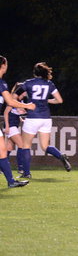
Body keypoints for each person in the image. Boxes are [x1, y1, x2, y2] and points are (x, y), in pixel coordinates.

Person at [18, 62, 71, 179]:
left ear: (34, 72)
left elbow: (15, 96)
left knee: (26, 146)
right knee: (45, 146)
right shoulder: (49, 84)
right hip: (46, 118)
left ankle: (26, 173)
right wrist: (47, 100)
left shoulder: (28, 83)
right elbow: (59, 100)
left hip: (32, 117)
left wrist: (22, 106)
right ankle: (60, 155)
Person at [0, 56, 35, 188]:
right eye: (6, 64)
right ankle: (18, 173)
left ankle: (11, 182)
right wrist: (27, 106)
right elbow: (10, 102)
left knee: (3, 152)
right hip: (9, 125)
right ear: (3, 65)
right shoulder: (1, 83)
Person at [4, 83, 27, 175]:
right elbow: (6, 113)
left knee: (9, 147)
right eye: (24, 90)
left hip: (14, 125)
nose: (26, 91)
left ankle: (2, 168)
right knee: (22, 145)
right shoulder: (13, 100)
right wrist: (7, 126)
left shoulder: (20, 101)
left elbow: (16, 112)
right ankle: (21, 168)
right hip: (11, 126)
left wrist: (21, 119)